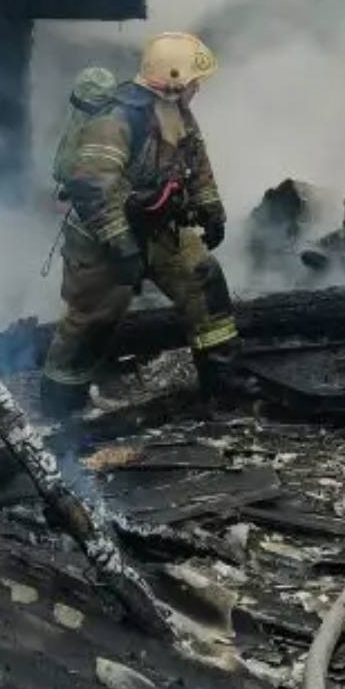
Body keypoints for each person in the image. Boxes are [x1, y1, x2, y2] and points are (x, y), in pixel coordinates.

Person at [39, 32, 256, 416]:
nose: (198, 89)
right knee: (96, 315)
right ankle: (60, 403)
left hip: (156, 225)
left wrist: (212, 211)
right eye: (193, 81)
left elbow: (197, 166)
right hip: (101, 232)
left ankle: (225, 385)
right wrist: (121, 246)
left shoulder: (179, 114)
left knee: (202, 277)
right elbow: (93, 187)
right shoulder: (119, 118)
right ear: (172, 79)